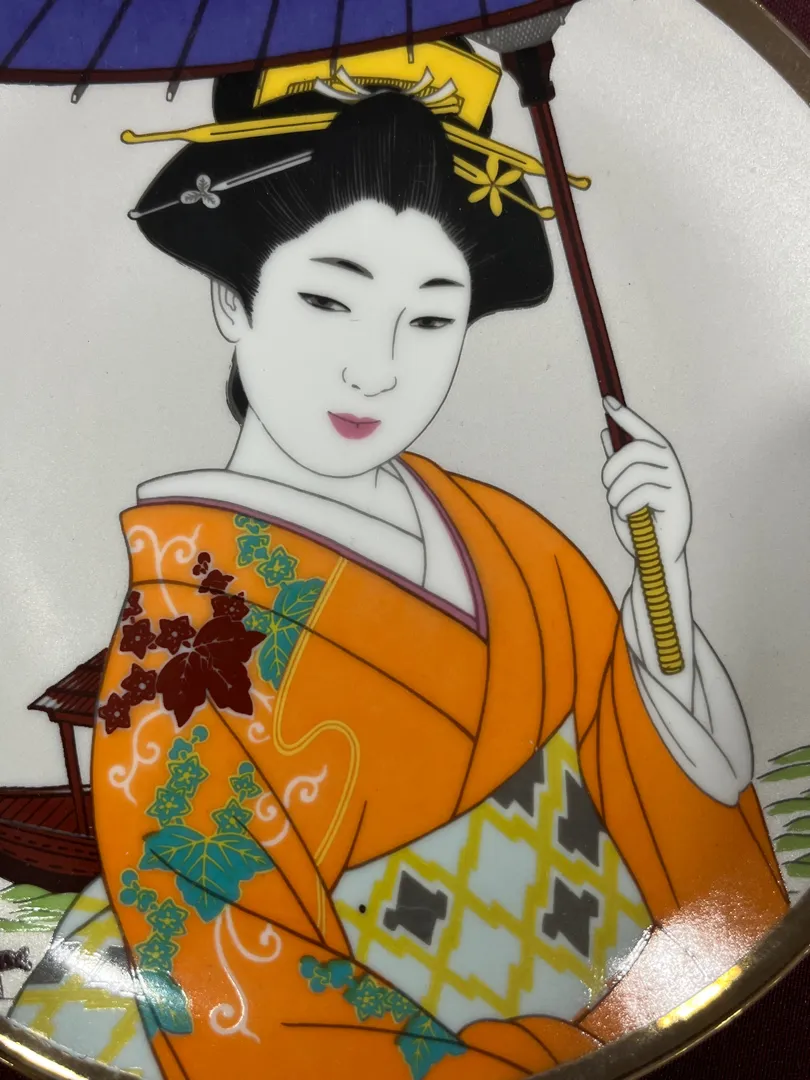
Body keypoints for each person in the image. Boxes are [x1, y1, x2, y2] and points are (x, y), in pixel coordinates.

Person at [11, 39, 787, 1080]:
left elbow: (658, 774)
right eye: (328, 302)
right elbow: (253, 1003)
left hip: (644, 1015)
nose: (376, 370)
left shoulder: (507, 538)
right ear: (235, 300)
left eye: (429, 316)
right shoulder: (177, 660)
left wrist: (667, 578)